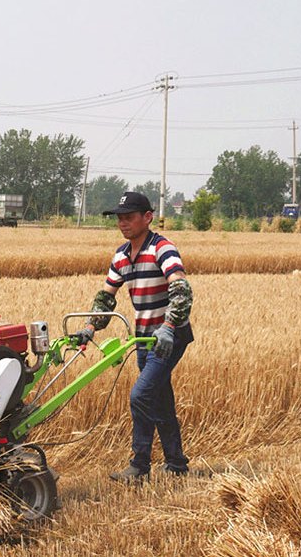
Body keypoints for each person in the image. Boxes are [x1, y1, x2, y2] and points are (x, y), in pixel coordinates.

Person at [76, 191, 194, 483]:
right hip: (143, 338)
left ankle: (139, 465)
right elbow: (106, 297)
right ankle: (176, 463)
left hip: (169, 338)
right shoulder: (120, 255)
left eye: (129, 217)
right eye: (119, 218)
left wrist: (168, 326)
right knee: (160, 399)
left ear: (147, 218)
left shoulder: (162, 249)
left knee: (141, 395)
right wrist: (90, 327)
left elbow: (182, 290)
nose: (123, 223)